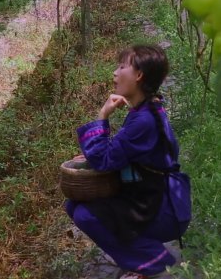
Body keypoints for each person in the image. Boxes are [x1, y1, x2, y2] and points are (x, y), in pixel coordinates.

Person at [66, 44, 191, 279]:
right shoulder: (146, 110)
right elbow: (119, 153)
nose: (115, 72)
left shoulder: (143, 120)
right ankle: (142, 261)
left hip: (163, 209)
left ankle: (155, 264)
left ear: (139, 75)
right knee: (74, 206)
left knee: (85, 215)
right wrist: (95, 155)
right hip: (149, 197)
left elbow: (104, 161)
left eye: (122, 66)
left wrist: (103, 115)